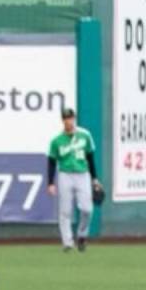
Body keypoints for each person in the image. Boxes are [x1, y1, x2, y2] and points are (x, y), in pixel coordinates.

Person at [47, 108, 100, 252]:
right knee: (65, 210)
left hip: (83, 174)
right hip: (65, 174)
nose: (68, 121)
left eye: (70, 118)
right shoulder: (56, 141)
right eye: (66, 118)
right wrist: (50, 182)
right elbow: (52, 161)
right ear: (62, 120)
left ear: (74, 118)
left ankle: (82, 235)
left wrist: (95, 178)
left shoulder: (85, 135)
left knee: (87, 209)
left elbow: (90, 157)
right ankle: (67, 242)